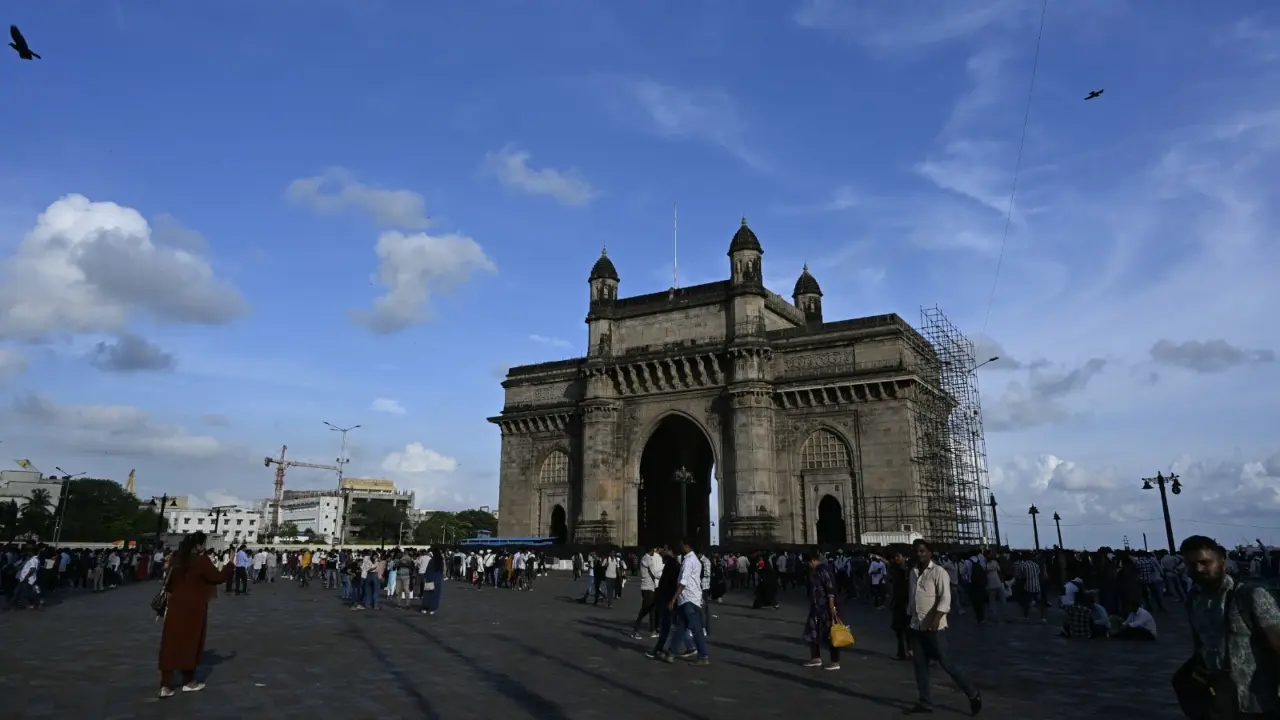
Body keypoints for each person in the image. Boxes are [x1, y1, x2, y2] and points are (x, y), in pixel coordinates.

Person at [1176, 535, 1280, 718]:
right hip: (1219, 699)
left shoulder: (1250, 596)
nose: (1199, 569)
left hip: (1257, 701)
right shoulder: (1193, 599)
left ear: (1222, 562)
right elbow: (1199, 645)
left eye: (1205, 562)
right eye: (1192, 565)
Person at [906, 538, 982, 716]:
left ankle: (973, 693)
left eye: (923, 551)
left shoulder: (939, 572)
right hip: (916, 626)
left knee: (947, 664)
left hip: (934, 628)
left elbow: (945, 599)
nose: (919, 554)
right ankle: (925, 701)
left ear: (930, 552)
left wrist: (935, 620)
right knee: (919, 665)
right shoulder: (913, 572)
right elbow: (912, 598)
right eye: (917, 551)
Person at [157, 532, 234, 699]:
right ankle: (189, 681)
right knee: (191, 642)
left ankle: (165, 685)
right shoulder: (201, 560)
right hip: (194, 607)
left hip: (175, 605)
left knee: (170, 642)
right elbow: (217, 577)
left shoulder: (175, 559)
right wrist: (230, 564)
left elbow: (168, 582)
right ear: (199, 545)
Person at [802, 550, 841, 671]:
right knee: (812, 631)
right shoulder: (816, 571)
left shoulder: (823, 571)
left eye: (809, 562)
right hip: (816, 607)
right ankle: (816, 657)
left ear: (814, 561)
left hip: (825, 608)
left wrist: (832, 607)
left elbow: (830, 589)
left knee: (830, 633)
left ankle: (835, 661)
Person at [420, 548, 444, 616]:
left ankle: (424, 608)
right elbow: (442, 571)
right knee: (435, 595)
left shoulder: (431, 560)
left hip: (430, 578)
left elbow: (428, 570)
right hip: (437, 579)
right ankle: (432, 609)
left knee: (428, 594)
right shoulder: (441, 561)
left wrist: (426, 577)